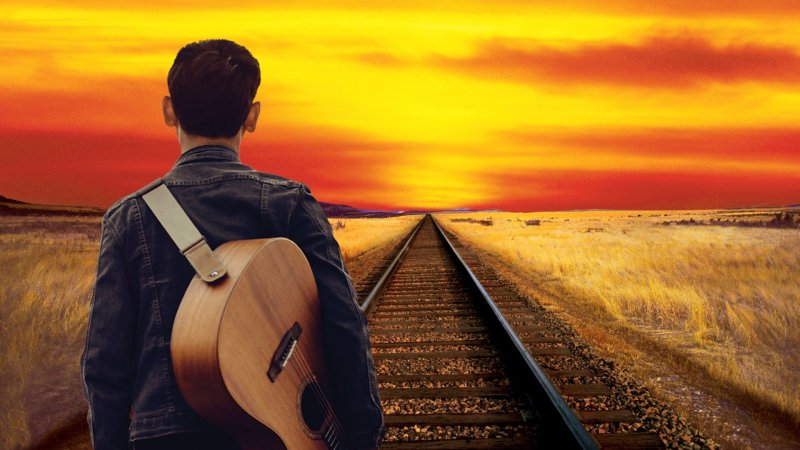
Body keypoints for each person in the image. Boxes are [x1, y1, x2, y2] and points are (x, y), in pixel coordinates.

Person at [81, 39, 385, 450]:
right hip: (276, 434)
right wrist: (361, 435)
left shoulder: (129, 219)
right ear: (252, 115)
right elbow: (344, 324)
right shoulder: (289, 203)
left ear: (169, 110)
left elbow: (104, 366)